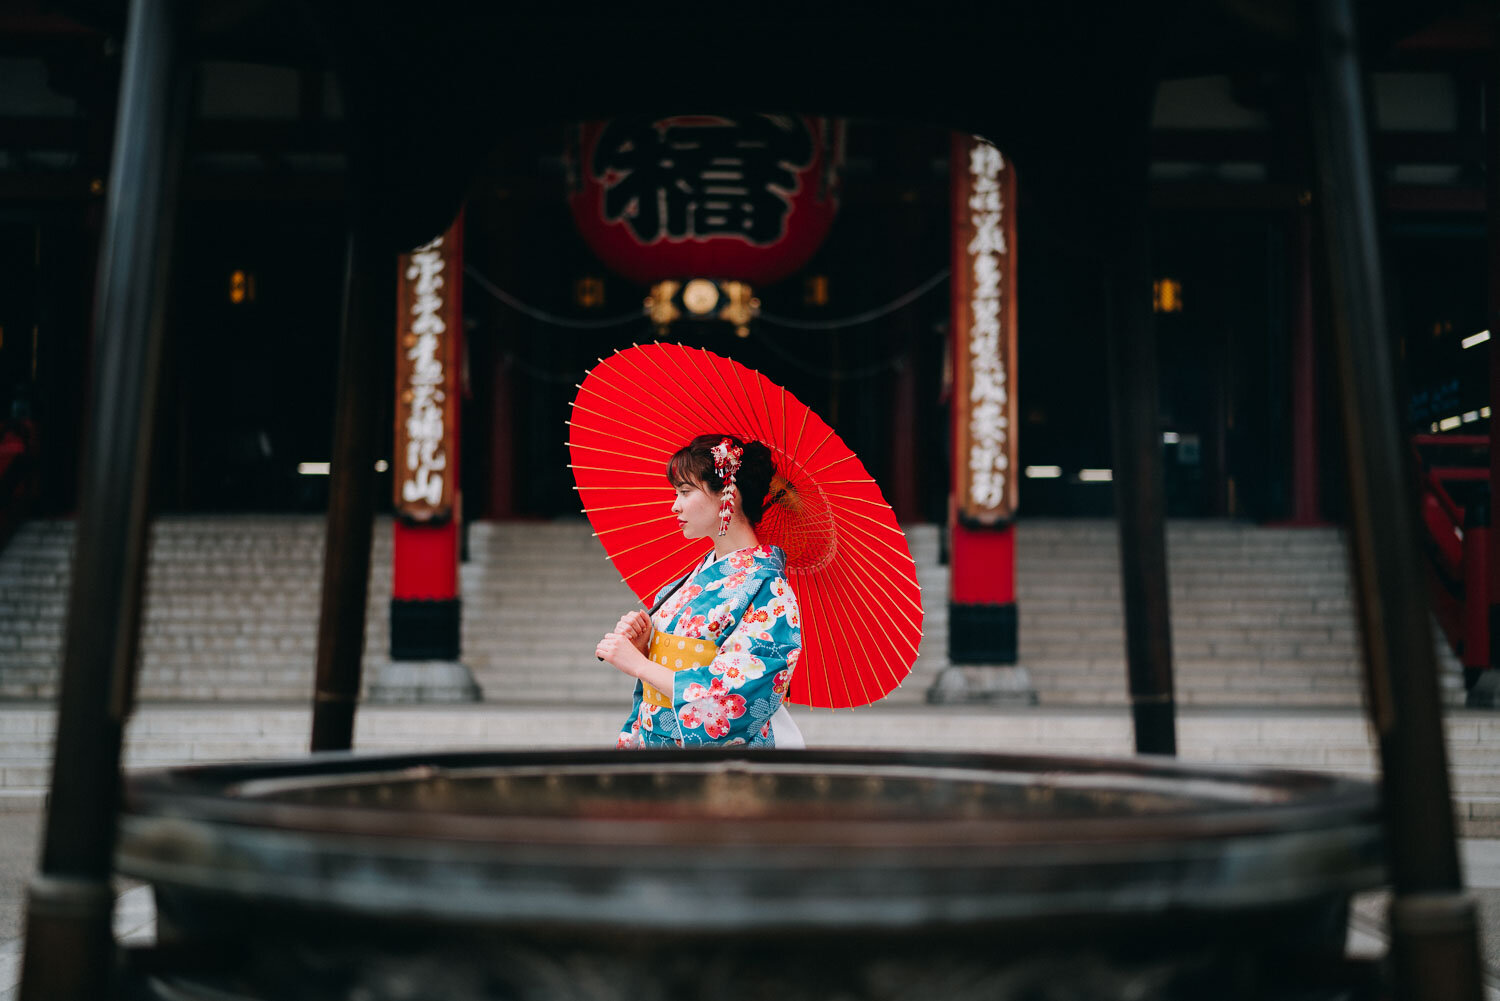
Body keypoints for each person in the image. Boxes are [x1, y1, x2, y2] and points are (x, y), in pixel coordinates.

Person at [596, 434, 804, 748]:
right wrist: (645, 646)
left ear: (728, 496)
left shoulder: (768, 588)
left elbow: (735, 694)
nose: (674, 505)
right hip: (660, 742)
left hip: (716, 761)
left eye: (684, 491)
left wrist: (640, 665)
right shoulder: (694, 577)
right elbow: (667, 668)